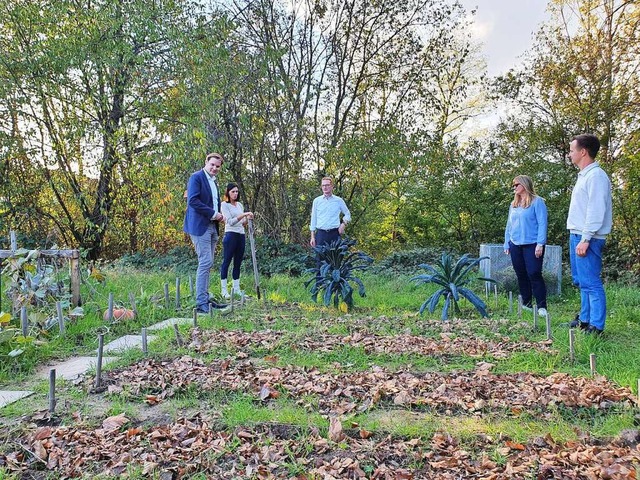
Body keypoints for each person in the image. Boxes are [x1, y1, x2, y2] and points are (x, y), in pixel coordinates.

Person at [567, 134, 612, 335]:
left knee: (591, 282)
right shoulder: (585, 175)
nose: (569, 154)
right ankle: (585, 319)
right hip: (577, 234)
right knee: (581, 280)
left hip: (589, 238)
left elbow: (596, 210)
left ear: (583, 152)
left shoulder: (597, 176)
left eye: (571, 150)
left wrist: (586, 239)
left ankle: (597, 326)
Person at [183, 152, 228, 313]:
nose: (215, 168)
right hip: (200, 225)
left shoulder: (213, 182)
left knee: (208, 264)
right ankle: (201, 303)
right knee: (205, 262)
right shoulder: (196, 177)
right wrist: (213, 214)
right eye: (212, 165)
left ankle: (206, 299)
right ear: (206, 163)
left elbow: (214, 203)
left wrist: (220, 215)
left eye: (218, 166)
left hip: (212, 226)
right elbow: (193, 201)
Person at [503, 175, 549, 317]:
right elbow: (509, 225)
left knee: (534, 273)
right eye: (513, 185)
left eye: (516, 185)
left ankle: (542, 306)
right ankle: (526, 303)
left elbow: (542, 223)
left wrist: (540, 243)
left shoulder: (538, 202)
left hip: (533, 243)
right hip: (515, 243)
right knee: (521, 274)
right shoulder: (514, 204)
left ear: (524, 185)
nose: (514, 188)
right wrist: (506, 242)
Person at [219, 183, 254, 299]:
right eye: (233, 191)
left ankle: (236, 288)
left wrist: (247, 218)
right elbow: (230, 221)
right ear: (228, 192)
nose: (235, 194)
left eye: (237, 192)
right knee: (227, 261)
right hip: (230, 235)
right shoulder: (224, 205)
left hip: (241, 234)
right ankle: (224, 290)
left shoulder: (239, 205)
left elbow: (242, 222)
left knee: (238, 262)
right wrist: (243, 214)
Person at [309, 176, 351, 248]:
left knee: (334, 259)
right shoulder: (317, 201)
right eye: (323, 185)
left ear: (332, 186)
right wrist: (312, 237)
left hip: (334, 234)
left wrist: (343, 224)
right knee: (320, 259)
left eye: (327, 185)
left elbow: (348, 214)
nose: (325, 187)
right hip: (320, 235)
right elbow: (313, 219)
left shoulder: (338, 200)